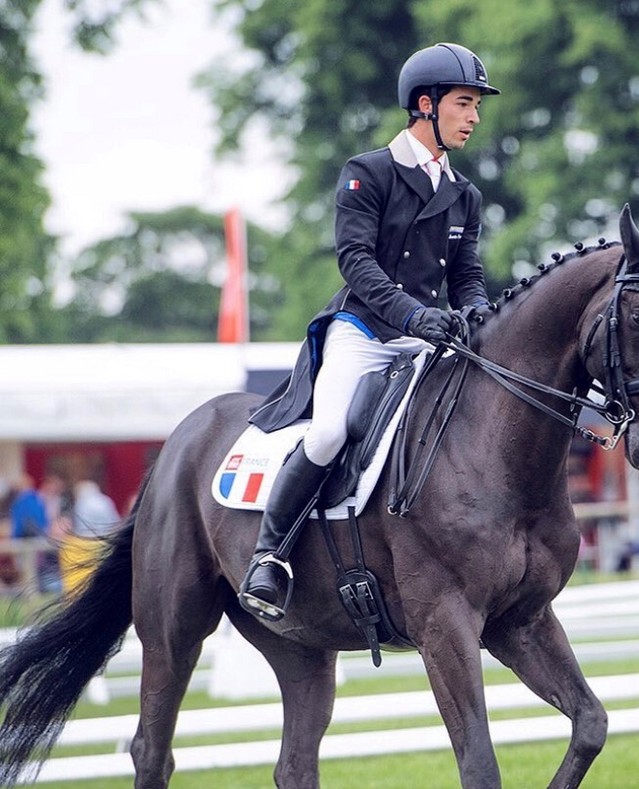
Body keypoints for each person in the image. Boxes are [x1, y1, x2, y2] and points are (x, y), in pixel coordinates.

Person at [239, 42, 501, 622]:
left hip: (424, 338)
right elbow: (356, 261)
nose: (474, 117)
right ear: (426, 105)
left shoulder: (465, 195)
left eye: (476, 106)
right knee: (331, 430)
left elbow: (467, 273)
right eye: (465, 104)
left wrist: (480, 310)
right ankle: (271, 557)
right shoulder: (368, 173)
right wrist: (410, 314)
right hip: (363, 329)